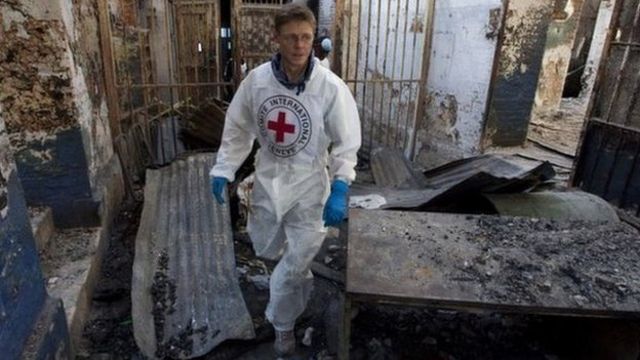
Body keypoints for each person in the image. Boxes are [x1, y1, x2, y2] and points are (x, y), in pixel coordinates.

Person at [209, 3, 361, 357]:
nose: (299, 45)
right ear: (276, 38)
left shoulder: (330, 87)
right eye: (291, 37)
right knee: (266, 248)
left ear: (313, 39)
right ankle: (295, 287)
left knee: (294, 263)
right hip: (268, 177)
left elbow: (347, 140)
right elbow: (237, 129)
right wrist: (224, 168)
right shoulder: (257, 82)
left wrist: (341, 184)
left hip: (310, 184)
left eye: (306, 37)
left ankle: (282, 327)